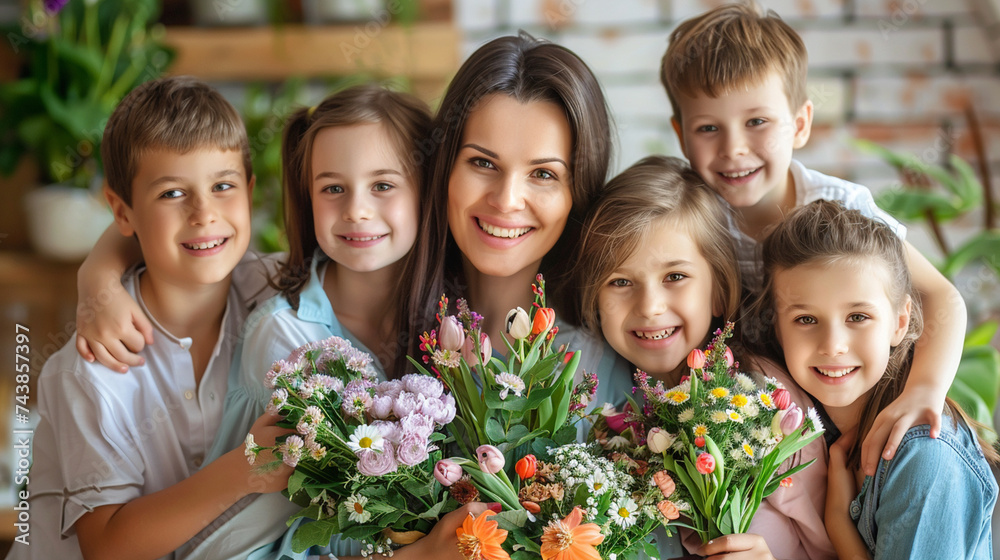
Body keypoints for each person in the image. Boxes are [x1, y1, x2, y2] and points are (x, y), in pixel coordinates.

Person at [660, 1, 968, 477]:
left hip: (864, 404)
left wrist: (924, 390)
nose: (733, 148)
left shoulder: (839, 206)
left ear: (800, 123)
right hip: (775, 432)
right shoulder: (694, 221)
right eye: (708, 128)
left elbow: (942, 297)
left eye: (757, 122)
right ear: (681, 136)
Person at [177, 84, 477, 560]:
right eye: (332, 188)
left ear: (428, 192)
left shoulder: (456, 321)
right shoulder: (288, 338)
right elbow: (249, 540)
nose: (356, 210)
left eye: (383, 185)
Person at [6, 76, 292, 560]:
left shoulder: (280, 292)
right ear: (122, 212)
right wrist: (244, 469)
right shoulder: (92, 366)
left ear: (249, 190)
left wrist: (96, 272)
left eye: (222, 185)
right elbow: (109, 546)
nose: (204, 213)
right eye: (171, 194)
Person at [575, 155, 834, 559]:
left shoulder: (767, 405)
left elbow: (833, 546)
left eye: (675, 277)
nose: (650, 307)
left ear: (718, 288)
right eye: (620, 281)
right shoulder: (605, 398)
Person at [757, 200, 998, 559]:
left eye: (857, 316)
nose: (833, 346)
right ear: (777, 327)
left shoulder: (925, 456)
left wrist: (839, 526)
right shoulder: (798, 436)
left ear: (900, 322)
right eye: (806, 319)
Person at [418, 31, 630, 406]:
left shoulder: (597, 370)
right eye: (483, 163)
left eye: (543, 174)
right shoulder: (384, 328)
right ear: (444, 168)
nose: (506, 200)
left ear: (577, 194)